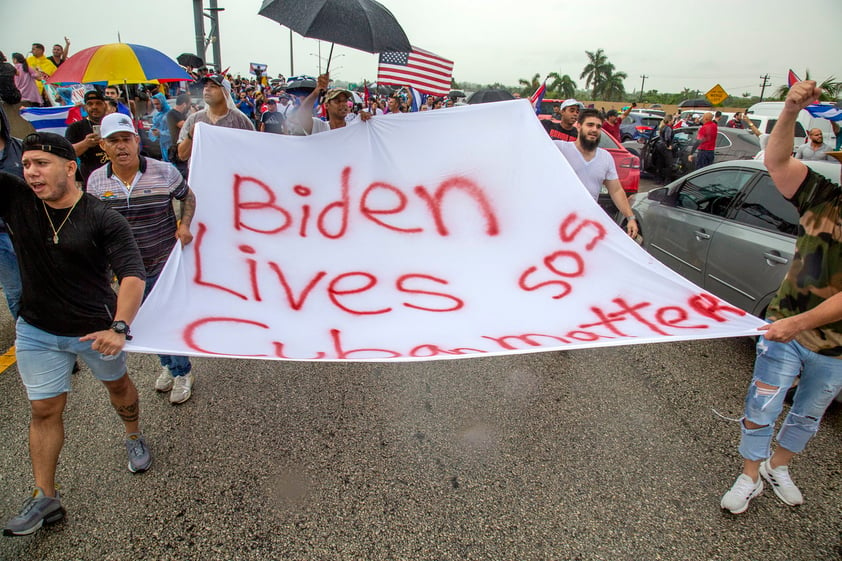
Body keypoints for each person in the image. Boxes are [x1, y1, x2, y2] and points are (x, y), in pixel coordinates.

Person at [0, 132, 149, 536]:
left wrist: (119, 327)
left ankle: (133, 436)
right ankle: (45, 495)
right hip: (36, 330)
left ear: (70, 167)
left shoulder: (103, 218)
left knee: (119, 389)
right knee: (44, 411)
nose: (31, 172)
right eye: (26, 164)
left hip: (95, 332)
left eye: (41, 164)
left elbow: (133, 274)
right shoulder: (16, 201)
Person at [720, 80, 842, 515]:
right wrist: (790, 110)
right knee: (762, 404)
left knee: (808, 415)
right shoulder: (825, 196)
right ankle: (749, 475)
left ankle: (778, 467)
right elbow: (775, 161)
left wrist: (797, 325)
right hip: (783, 331)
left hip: (833, 348)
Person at [87, 113, 198, 403]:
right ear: (104, 145)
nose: (121, 146)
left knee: (166, 319)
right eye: (114, 141)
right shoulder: (96, 182)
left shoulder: (163, 171)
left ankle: (182, 371)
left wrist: (184, 225)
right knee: (143, 322)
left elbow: (188, 196)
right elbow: (93, 223)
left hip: (163, 261)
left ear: (137, 141)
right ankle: (168, 366)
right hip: (126, 271)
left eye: (126, 139)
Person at [554, 108, 639, 239]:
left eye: (598, 126)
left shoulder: (605, 157)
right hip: (558, 222)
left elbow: (616, 190)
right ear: (578, 126)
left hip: (586, 226)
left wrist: (630, 217)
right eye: (590, 125)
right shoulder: (560, 149)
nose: (594, 129)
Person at [177, 74, 254, 163]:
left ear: (225, 92)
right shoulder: (194, 119)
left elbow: (252, 153)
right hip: (201, 175)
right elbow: (182, 155)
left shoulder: (240, 120)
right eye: (205, 86)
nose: (207, 89)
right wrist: (191, 134)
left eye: (213, 86)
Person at [291, 73, 371, 136]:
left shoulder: (352, 128)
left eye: (345, 101)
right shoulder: (320, 127)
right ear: (326, 105)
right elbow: (302, 115)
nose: (343, 104)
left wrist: (367, 121)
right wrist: (317, 90)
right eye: (337, 101)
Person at [0, 104, 23, 319]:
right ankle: (25, 330)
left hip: (27, 230)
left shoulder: (20, 148)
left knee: (42, 283)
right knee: (15, 289)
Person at [65, 90, 109, 187]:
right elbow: (68, 153)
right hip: (90, 178)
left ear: (105, 105)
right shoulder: (75, 127)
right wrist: (86, 143)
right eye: (90, 104)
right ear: (85, 107)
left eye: (98, 103)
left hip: (115, 175)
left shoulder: (112, 123)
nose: (94, 107)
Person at [147, 93, 173, 162]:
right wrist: (153, 132)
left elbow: (173, 132)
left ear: (163, 102)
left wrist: (160, 133)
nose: (156, 106)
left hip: (172, 145)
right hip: (163, 145)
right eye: (154, 104)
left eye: (158, 104)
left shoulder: (170, 113)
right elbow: (154, 128)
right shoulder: (157, 115)